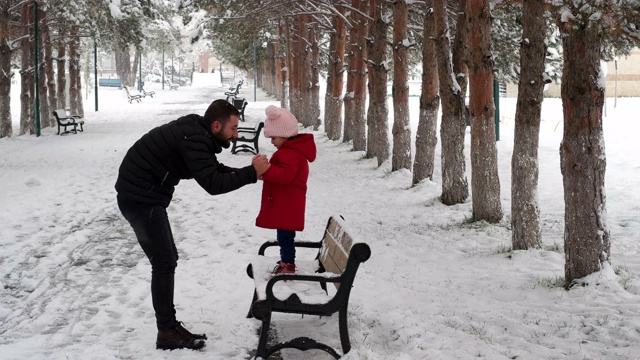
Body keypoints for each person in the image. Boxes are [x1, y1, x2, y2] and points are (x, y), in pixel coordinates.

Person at [115, 99, 270, 351]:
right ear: (216, 125)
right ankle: (166, 332)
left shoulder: (198, 134)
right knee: (164, 262)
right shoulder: (194, 137)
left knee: (166, 260)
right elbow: (212, 184)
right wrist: (251, 174)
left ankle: (169, 327)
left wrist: (250, 173)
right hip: (139, 198)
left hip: (145, 195)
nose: (236, 135)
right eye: (232, 129)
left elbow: (213, 169)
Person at [255, 105, 316, 274]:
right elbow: (281, 175)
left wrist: (267, 169)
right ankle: (286, 262)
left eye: (273, 137)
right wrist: (264, 173)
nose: (272, 142)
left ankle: (288, 264)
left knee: (286, 237)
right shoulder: (289, 152)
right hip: (287, 204)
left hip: (288, 205)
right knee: (284, 236)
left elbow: (284, 176)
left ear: (284, 134)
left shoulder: (291, 154)